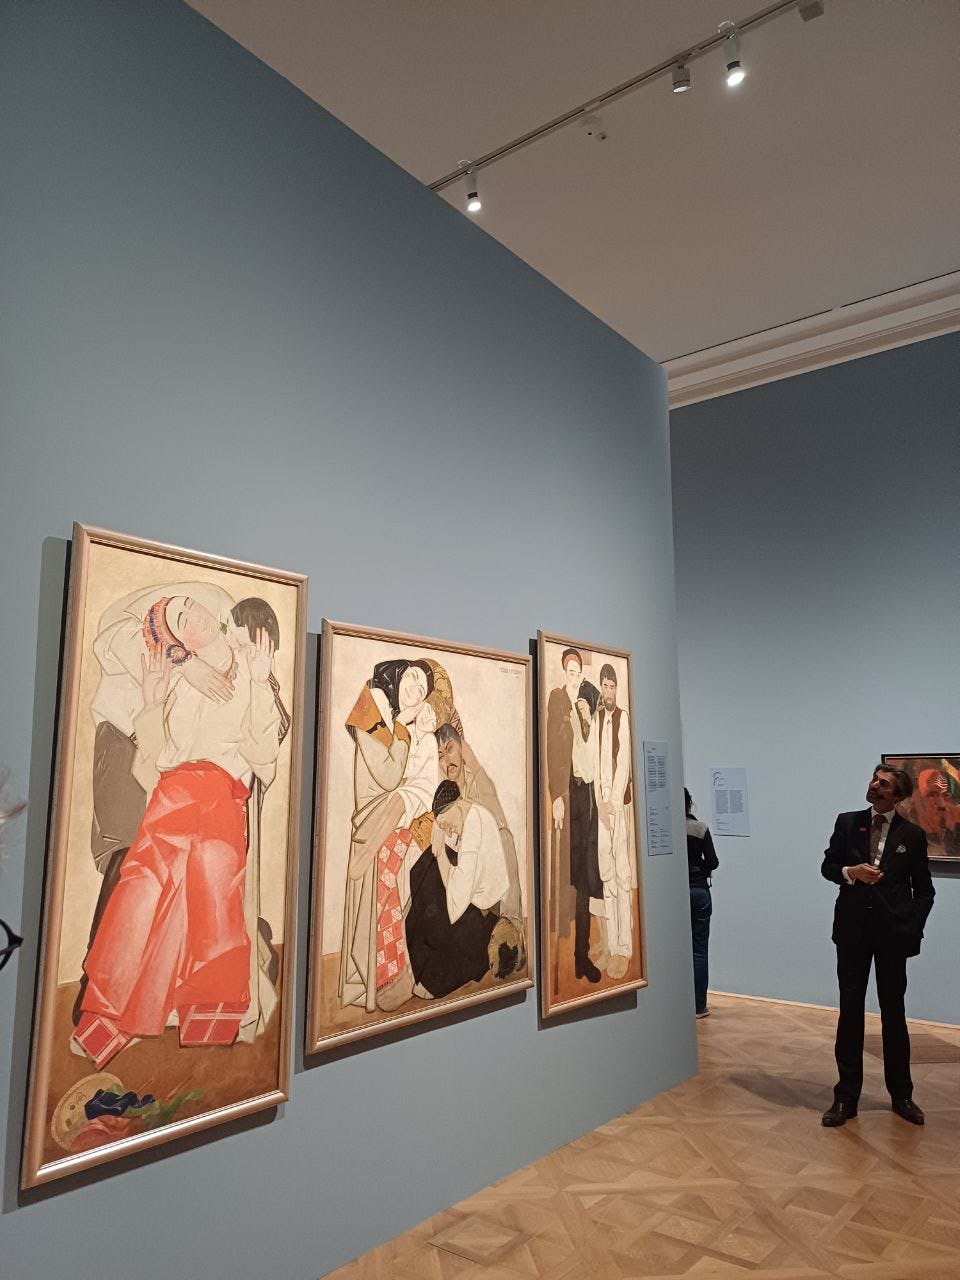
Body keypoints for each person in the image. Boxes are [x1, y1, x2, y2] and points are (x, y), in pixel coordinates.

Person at [73, 595, 285, 1067]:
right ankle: (111, 1015)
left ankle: (208, 1011)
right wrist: (152, 704)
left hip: (220, 797)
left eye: (191, 606)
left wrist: (257, 684)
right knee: (142, 887)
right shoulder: (180, 684)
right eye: (182, 620)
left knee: (213, 880)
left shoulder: (252, 670)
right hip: (171, 797)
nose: (195, 615)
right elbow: (156, 761)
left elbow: (263, 755)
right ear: (181, 642)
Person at [820, 763, 935, 1127]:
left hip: (892, 935)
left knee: (893, 1014)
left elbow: (925, 891)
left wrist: (911, 927)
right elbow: (828, 866)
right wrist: (850, 873)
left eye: (883, 784)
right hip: (852, 932)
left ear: (897, 795)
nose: (874, 785)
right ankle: (846, 1097)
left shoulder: (912, 835)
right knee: (850, 1012)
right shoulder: (848, 822)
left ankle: (902, 1095)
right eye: (874, 779)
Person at [402, 780, 509, 1000]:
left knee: (431, 873)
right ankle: (418, 969)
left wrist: (440, 853)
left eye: (445, 823)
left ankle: (429, 976)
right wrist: (438, 834)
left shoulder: (475, 827)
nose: (447, 829)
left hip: (482, 923)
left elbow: (456, 904)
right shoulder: (468, 814)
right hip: (469, 902)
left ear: (456, 805)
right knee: (422, 868)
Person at [545, 648, 603, 984]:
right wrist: (555, 794)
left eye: (578, 670)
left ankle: (582, 955)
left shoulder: (587, 703)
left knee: (584, 875)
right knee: (566, 873)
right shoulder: (557, 700)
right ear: (563, 672)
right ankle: (559, 954)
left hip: (587, 796)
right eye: (569, 669)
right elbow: (553, 748)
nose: (574, 674)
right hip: (566, 791)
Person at [578, 663, 635, 980]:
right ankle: (612, 946)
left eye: (613, 686)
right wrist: (601, 803)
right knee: (606, 874)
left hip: (617, 808)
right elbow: (597, 764)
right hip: (602, 808)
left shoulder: (623, 718)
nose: (609, 691)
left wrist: (612, 802)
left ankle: (624, 948)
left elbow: (622, 764)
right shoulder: (599, 718)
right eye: (605, 686)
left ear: (616, 688)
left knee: (622, 874)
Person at [436, 722, 522, 926]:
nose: (447, 761)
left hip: (487, 887)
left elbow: (502, 837)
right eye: (440, 756)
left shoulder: (479, 784)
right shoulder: (445, 796)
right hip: (463, 878)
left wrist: (472, 760)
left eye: (450, 749)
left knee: (504, 836)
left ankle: (511, 922)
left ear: (462, 749)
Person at [685, 788, 718, 1019]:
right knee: (699, 950)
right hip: (699, 890)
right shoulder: (700, 828)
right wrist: (701, 869)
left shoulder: (664, 830)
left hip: (673, 895)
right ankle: (698, 1006)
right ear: (689, 804)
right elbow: (713, 862)